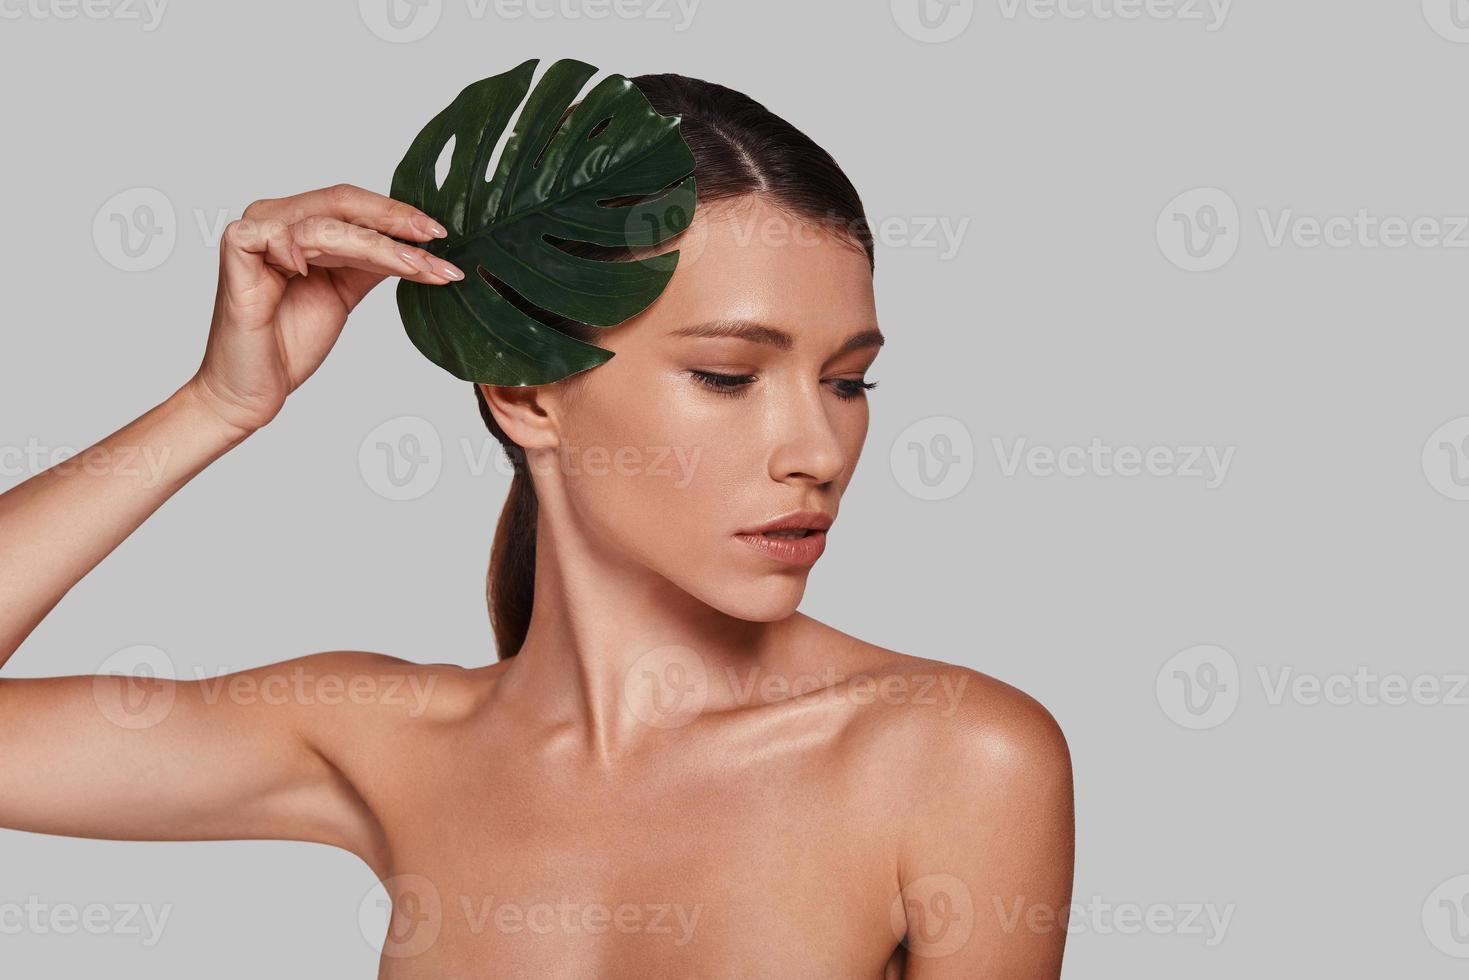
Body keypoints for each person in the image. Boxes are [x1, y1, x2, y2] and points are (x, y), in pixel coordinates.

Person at [0, 72, 1073, 978]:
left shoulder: (952, 757)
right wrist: (218, 405)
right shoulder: (383, 741)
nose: (818, 449)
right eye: (726, 373)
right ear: (522, 391)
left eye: (848, 382)